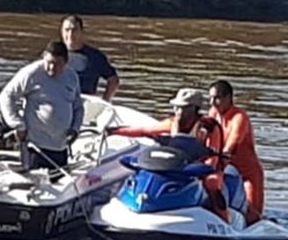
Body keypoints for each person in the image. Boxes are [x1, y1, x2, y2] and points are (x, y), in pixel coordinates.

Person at [111, 88, 229, 219]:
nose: (178, 111)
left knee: (211, 183)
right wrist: (115, 132)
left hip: (200, 168)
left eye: (183, 108)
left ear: (194, 109)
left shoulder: (209, 127)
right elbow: (145, 131)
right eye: (176, 107)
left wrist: (202, 170)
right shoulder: (172, 123)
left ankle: (224, 219)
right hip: (175, 166)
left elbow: (213, 158)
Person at [0, 40, 84, 172]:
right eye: (49, 62)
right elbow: (6, 96)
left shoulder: (71, 76)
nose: (51, 68)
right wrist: (17, 124)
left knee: (58, 183)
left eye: (57, 64)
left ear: (66, 62)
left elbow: (78, 107)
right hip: (36, 145)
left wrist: (75, 129)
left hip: (60, 146)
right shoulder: (31, 73)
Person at [208, 79, 264, 224]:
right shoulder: (213, 113)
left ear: (229, 98)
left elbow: (232, 142)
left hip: (247, 175)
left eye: (217, 98)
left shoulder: (240, 117)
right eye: (211, 98)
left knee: (252, 217)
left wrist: (223, 155)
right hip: (226, 170)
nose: (213, 102)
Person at [59, 15, 120, 101]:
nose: (70, 34)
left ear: (82, 32)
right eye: (67, 30)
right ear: (61, 32)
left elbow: (113, 80)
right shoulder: (53, 54)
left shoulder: (95, 57)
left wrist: (105, 102)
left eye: (74, 30)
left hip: (86, 104)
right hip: (59, 103)